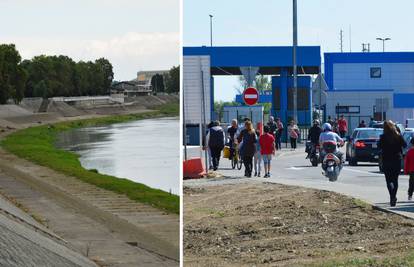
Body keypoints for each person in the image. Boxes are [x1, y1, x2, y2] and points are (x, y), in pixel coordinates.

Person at [378, 120, 407, 207]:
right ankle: (393, 196)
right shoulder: (398, 135)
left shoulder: (383, 137)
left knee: (388, 180)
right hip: (397, 160)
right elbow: (405, 145)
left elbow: (379, 146)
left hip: (386, 160)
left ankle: (392, 196)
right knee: (395, 180)